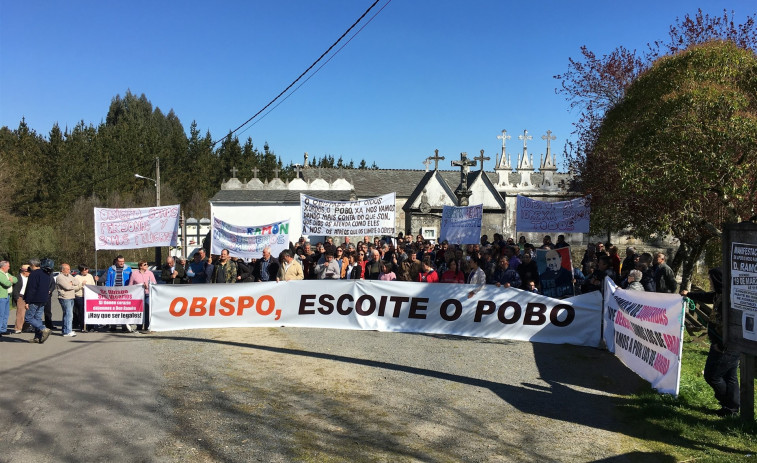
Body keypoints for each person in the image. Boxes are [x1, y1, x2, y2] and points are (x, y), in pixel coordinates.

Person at [681, 268, 739, 417]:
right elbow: (706, 296)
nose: (709, 282)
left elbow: (731, 324)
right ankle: (731, 409)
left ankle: (729, 404)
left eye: (711, 279)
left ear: (718, 280)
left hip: (725, 345)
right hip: (723, 344)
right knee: (729, 377)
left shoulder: (729, 299)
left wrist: (722, 345)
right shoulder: (720, 294)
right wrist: (690, 294)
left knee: (712, 375)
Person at [24, 259, 53, 343]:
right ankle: (38, 337)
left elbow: (31, 289)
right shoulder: (46, 274)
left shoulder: (33, 274)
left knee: (28, 317)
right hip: (44, 298)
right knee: (37, 318)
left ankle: (43, 329)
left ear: (33, 265)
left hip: (34, 299)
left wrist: (27, 301)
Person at [105, 255, 135, 332]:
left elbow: (131, 280)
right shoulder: (111, 269)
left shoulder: (128, 268)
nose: (122, 263)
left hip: (124, 292)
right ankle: (113, 326)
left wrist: (130, 290)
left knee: (123, 309)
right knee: (114, 309)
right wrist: (107, 290)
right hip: (113, 291)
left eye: (123, 261)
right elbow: (108, 280)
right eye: (120, 261)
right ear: (117, 261)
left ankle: (124, 326)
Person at [129, 260, 156, 331]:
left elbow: (154, 284)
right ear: (140, 266)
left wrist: (148, 286)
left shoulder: (150, 273)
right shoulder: (134, 274)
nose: (147, 266)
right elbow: (130, 285)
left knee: (147, 309)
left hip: (147, 294)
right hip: (138, 296)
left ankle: (147, 326)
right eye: (145, 264)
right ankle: (139, 326)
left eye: (147, 264)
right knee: (139, 311)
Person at [55, 263, 80, 337]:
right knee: (69, 314)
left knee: (68, 314)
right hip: (65, 297)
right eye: (68, 269)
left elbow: (77, 282)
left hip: (71, 296)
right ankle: (67, 331)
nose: (69, 270)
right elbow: (67, 287)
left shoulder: (69, 276)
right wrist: (75, 286)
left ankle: (66, 329)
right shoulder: (60, 277)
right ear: (63, 270)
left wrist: (71, 283)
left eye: (69, 269)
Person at [74, 265, 96, 332]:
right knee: (82, 312)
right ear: (81, 270)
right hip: (80, 296)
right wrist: (81, 285)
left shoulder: (90, 276)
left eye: (87, 269)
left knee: (90, 312)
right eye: (85, 270)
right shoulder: (77, 277)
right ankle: (83, 327)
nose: (86, 271)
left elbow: (93, 285)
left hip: (89, 296)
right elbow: (74, 288)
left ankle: (91, 327)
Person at [0, 260, 18, 336]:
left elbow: (15, 279)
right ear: (3, 267)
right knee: (1, 314)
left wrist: (11, 280)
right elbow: (6, 283)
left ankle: (3, 329)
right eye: (8, 266)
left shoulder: (6, 273)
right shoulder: (0, 274)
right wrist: (10, 281)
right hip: (1, 296)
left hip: (7, 295)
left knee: (6, 314)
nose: (9, 267)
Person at [11, 264, 31, 333]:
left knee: (28, 312)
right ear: (24, 271)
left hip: (28, 296)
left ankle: (25, 327)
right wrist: (16, 297)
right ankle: (18, 328)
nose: (29, 272)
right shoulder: (18, 277)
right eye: (28, 271)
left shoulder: (30, 277)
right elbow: (15, 289)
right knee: (21, 312)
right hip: (20, 296)